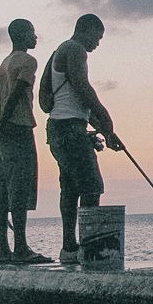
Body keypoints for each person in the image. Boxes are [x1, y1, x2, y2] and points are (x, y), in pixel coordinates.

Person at [38, 14, 122, 264]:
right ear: (86, 30)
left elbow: (49, 101)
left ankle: (69, 248)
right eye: (97, 37)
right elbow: (81, 86)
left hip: (60, 128)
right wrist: (105, 119)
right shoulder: (75, 49)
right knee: (91, 186)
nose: (97, 43)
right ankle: (88, 247)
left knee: (71, 188)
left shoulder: (57, 52)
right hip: (69, 130)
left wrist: (106, 132)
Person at [0, 19, 51, 264]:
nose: (36, 37)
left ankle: (3, 250)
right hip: (18, 129)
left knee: (1, 189)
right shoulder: (28, 61)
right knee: (19, 187)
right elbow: (17, 92)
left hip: (2, 134)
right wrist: (3, 121)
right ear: (22, 35)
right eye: (32, 32)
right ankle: (20, 248)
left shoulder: (2, 65)